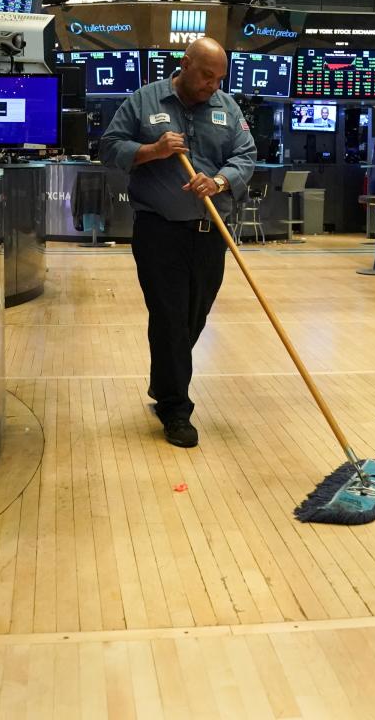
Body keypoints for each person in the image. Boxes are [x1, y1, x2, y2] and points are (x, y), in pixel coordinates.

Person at [98, 37, 257, 447]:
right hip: (159, 232)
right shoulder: (143, 100)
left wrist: (219, 180)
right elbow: (109, 148)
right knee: (169, 318)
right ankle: (175, 408)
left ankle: (165, 381)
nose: (212, 85)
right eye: (206, 75)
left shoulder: (227, 107)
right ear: (185, 65)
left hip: (210, 234)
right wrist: (152, 149)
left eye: (219, 78)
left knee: (193, 317)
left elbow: (246, 155)